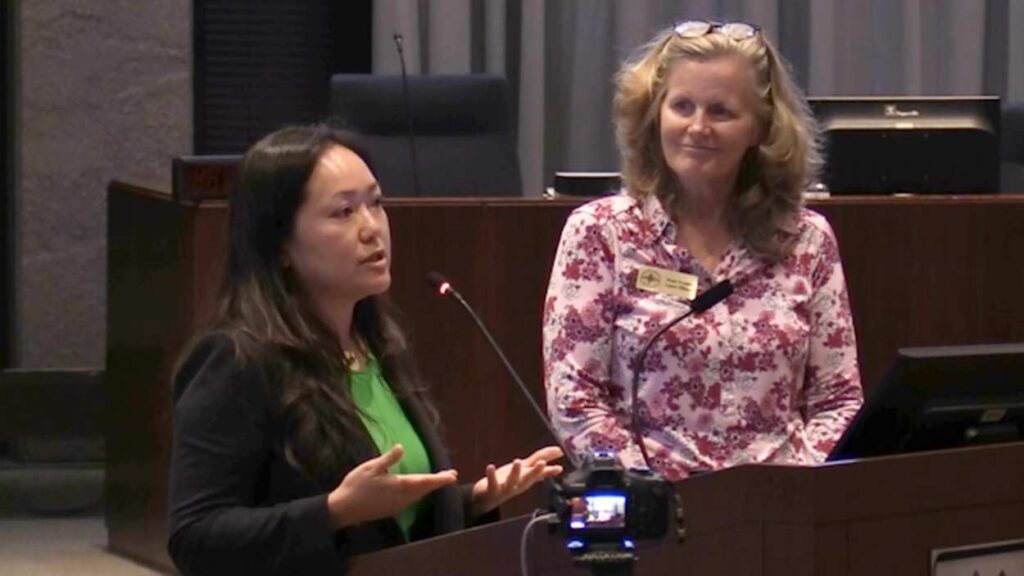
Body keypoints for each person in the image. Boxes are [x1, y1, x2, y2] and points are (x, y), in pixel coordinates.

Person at [167, 125, 562, 575]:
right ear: (280, 244)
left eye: (376, 203)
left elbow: (389, 522)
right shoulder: (235, 360)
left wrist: (471, 501)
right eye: (343, 212)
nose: (372, 228)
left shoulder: (376, 346)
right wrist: (333, 511)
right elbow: (194, 538)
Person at [543, 21, 863, 481]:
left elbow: (838, 400)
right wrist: (662, 495)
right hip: (654, 506)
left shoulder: (807, 240)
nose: (697, 127)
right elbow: (575, 402)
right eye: (682, 106)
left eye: (721, 111)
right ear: (655, 115)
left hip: (783, 504)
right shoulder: (600, 234)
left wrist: (793, 490)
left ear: (761, 128)